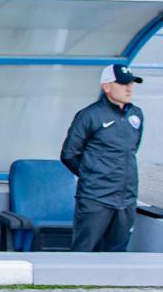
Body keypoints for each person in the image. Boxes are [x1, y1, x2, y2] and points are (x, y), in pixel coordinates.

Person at [61, 64, 144, 252]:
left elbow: (131, 149)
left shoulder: (136, 114)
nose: (129, 88)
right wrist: (93, 175)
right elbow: (69, 154)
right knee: (85, 251)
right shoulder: (89, 115)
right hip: (96, 198)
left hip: (126, 199)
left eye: (131, 83)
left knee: (117, 253)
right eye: (123, 84)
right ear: (106, 86)